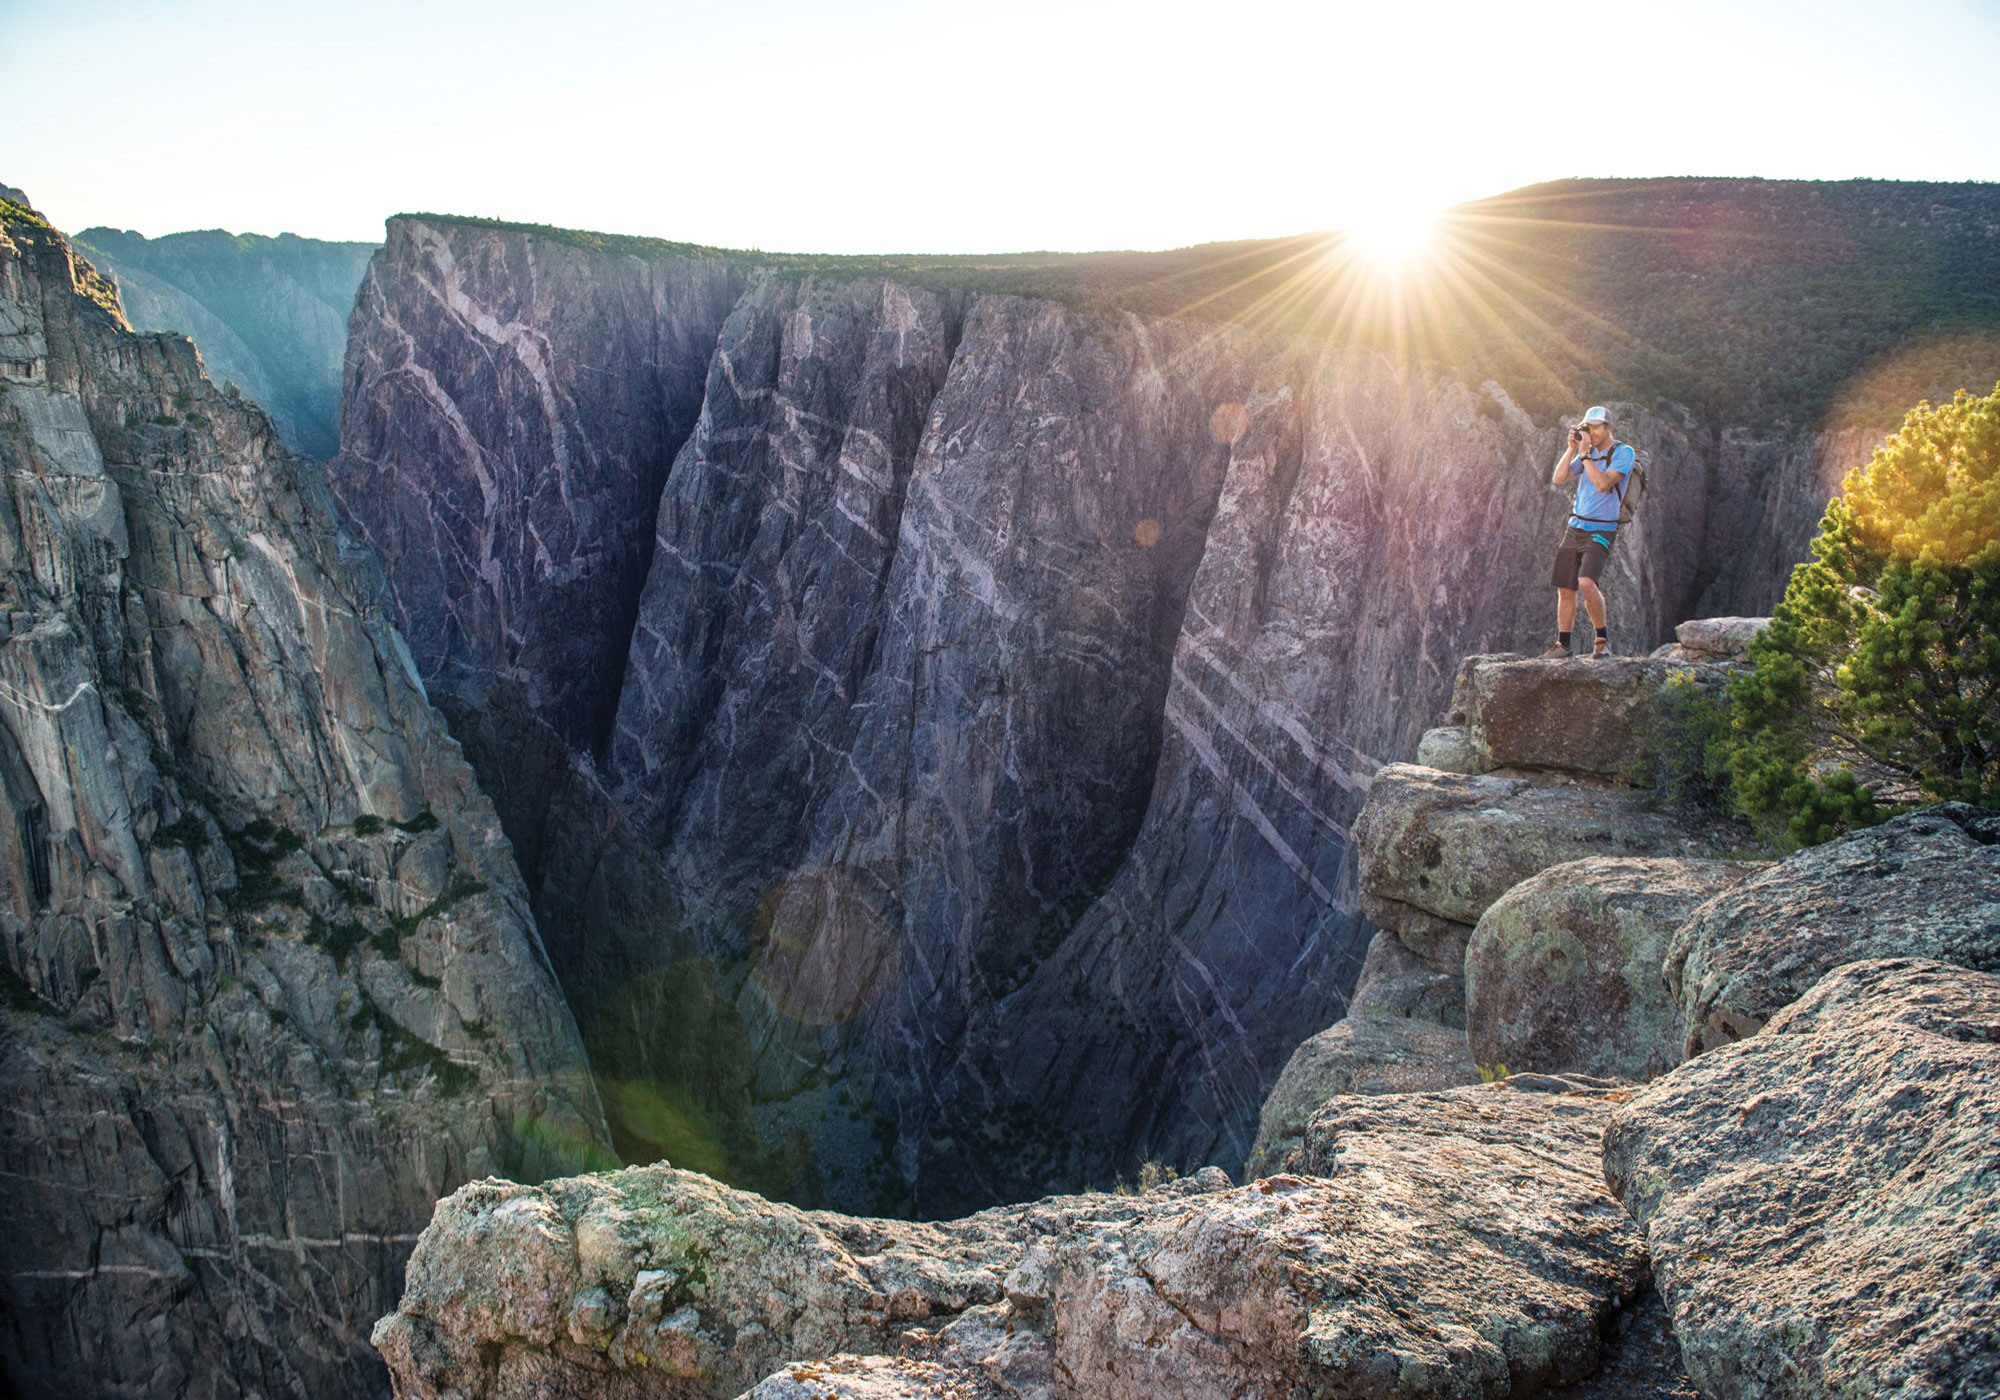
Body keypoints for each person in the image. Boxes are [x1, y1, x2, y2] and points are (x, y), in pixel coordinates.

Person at [1541, 405, 1634, 659]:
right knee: (1565, 587)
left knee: (1586, 582)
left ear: (1608, 428)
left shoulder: (1623, 453)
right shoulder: (1587, 453)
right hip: (1576, 526)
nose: (1590, 432)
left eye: (1594, 428)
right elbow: (1559, 479)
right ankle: (1563, 645)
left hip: (1602, 529)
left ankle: (1602, 640)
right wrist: (1573, 448)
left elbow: (1603, 484)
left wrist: (1584, 457)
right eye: (1587, 427)